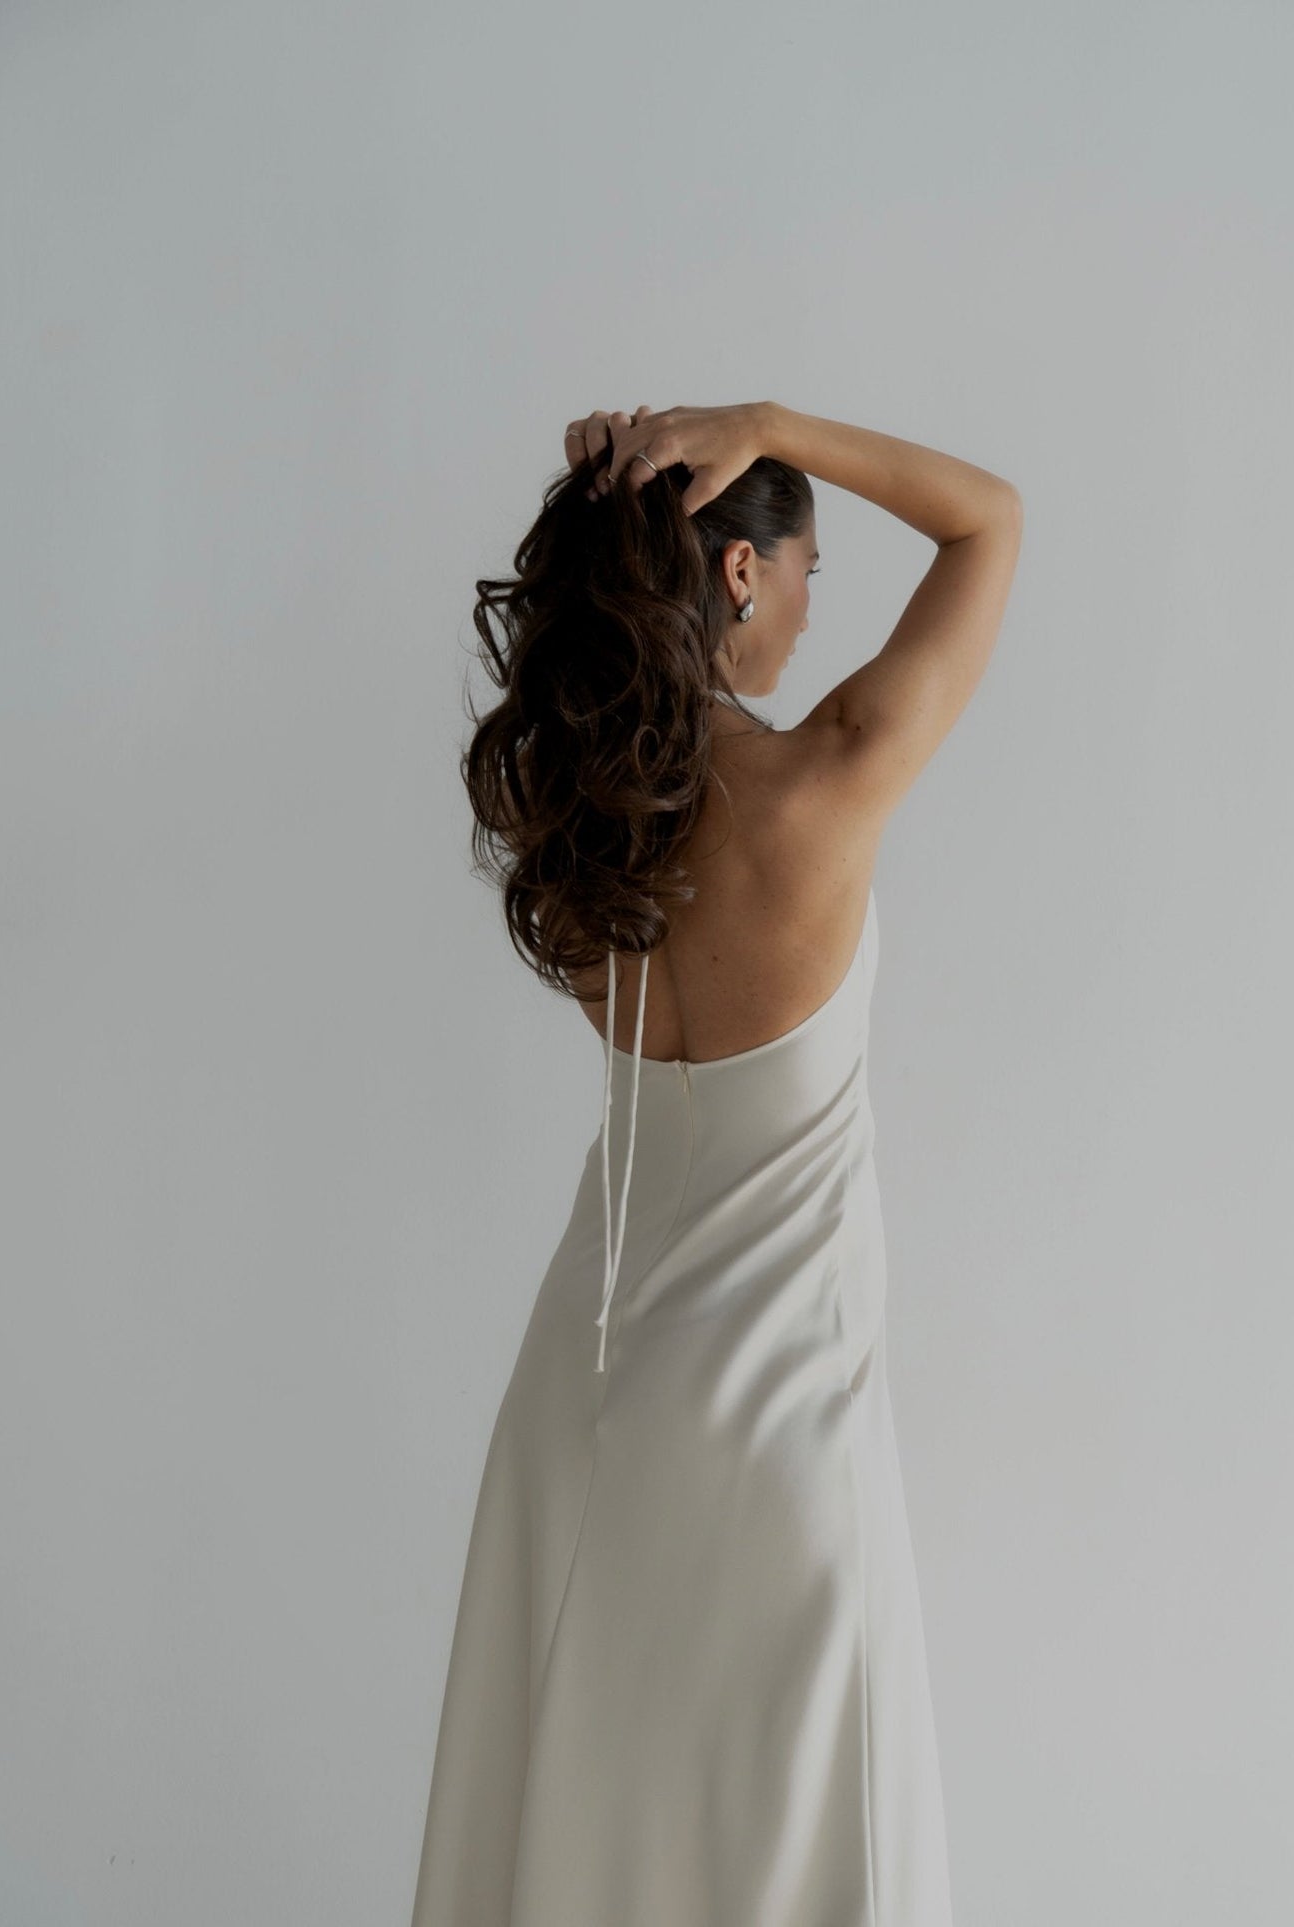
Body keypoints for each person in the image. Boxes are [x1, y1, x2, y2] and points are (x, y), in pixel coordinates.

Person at [411, 400, 1024, 1926]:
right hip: (777, 1408)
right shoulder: (821, 787)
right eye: (804, 572)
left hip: (589, 1386)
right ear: (738, 575)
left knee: (588, 1817)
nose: (815, 610)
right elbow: (988, 519)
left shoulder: (582, 829)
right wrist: (770, 418)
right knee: (800, 1835)